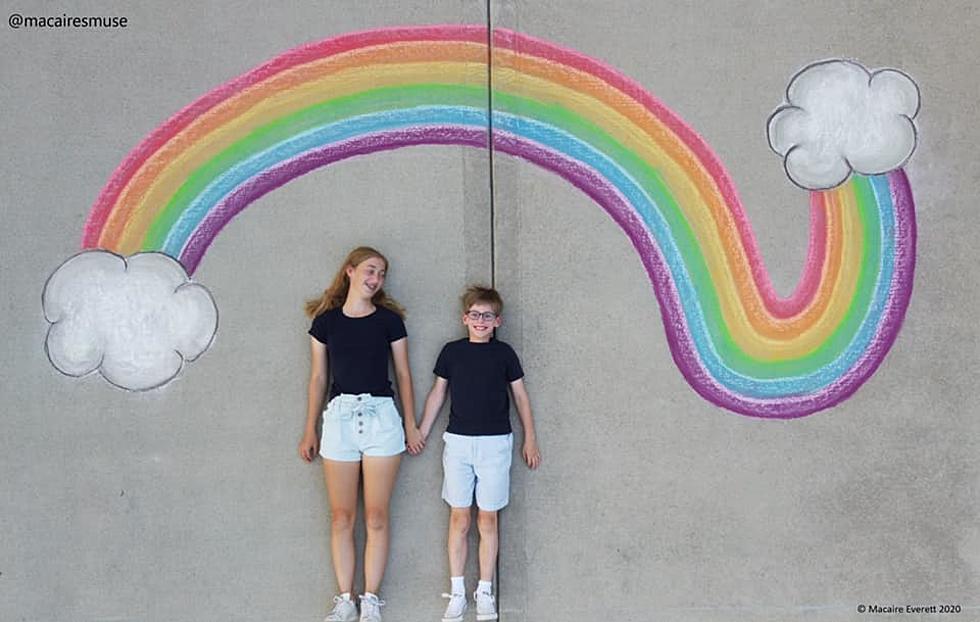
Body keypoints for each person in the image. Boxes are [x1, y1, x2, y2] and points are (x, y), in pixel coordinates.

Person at [298, 246, 424, 622]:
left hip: (382, 419)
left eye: (382, 274)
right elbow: (318, 378)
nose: (376, 279)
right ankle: (345, 601)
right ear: (350, 272)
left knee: (377, 516)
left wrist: (411, 422)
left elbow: (403, 374)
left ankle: (370, 600)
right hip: (338, 420)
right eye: (371, 270)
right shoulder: (326, 323)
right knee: (340, 516)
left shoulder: (389, 322)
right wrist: (310, 429)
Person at [416, 285, 541, 622]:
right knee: (459, 518)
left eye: (487, 316)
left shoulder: (505, 354)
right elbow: (437, 394)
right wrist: (421, 431)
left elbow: (521, 397)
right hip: (458, 443)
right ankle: (457, 592)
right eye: (475, 315)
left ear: (497, 321)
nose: (481, 320)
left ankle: (484, 590)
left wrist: (530, 438)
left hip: (496, 444)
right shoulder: (451, 352)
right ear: (465, 318)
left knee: (488, 519)